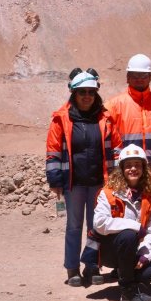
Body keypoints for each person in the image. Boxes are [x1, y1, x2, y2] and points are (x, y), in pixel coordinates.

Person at [46, 68, 120, 287]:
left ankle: (92, 265)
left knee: (96, 225)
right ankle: (72, 268)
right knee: (74, 226)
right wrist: (55, 180)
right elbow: (53, 151)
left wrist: (117, 178)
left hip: (99, 183)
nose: (87, 96)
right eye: (82, 92)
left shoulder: (106, 119)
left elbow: (116, 149)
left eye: (91, 92)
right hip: (73, 183)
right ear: (74, 93)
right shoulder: (61, 119)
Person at [91, 145, 151, 301]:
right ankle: (128, 291)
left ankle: (126, 274)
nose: (133, 169)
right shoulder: (108, 192)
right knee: (128, 234)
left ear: (143, 168)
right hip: (111, 250)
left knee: (149, 273)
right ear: (121, 168)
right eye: (128, 165)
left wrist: (145, 254)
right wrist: (134, 226)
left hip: (135, 247)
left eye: (137, 165)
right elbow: (99, 223)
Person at [106, 53, 151, 172]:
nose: (139, 79)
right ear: (127, 77)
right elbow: (109, 141)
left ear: (150, 77)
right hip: (128, 170)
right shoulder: (114, 105)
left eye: (144, 75)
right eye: (135, 75)